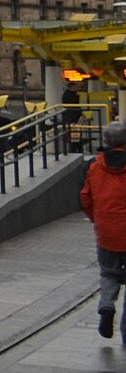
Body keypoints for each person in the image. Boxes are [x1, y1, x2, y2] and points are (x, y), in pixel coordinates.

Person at [82, 121, 126, 339]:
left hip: (106, 232)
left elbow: (85, 198)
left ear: (105, 141)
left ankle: (107, 305)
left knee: (109, 273)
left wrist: (97, 219)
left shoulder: (94, 166)